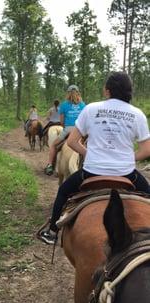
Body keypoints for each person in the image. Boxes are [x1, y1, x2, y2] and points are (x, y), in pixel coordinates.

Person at [40, 71, 150, 245]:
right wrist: (127, 158)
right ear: (129, 92)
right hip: (126, 173)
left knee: (63, 191)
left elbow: (72, 142)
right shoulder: (138, 114)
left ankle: (52, 231)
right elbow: (146, 150)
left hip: (92, 172)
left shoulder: (91, 109)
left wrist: (90, 154)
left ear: (107, 91)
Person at [44, 85, 85, 175]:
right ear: (78, 93)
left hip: (68, 129)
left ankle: (50, 165)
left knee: (53, 145)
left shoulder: (64, 105)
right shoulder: (83, 105)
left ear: (68, 93)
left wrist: (66, 127)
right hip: (81, 131)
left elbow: (61, 121)